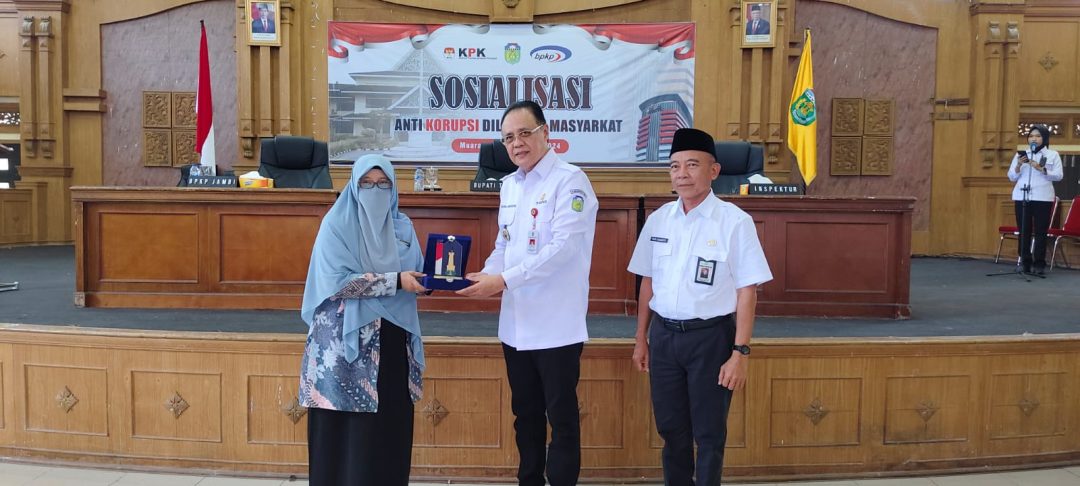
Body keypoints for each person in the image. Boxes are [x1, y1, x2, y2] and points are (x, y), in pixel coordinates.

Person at [457, 100, 598, 486]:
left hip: (556, 326)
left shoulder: (571, 181)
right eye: (508, 138)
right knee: (526, 416)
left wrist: (502, 281)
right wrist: (483, 276)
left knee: (562, 419)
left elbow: (563, 249)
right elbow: (504, 245)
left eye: (524, 133)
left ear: (545, 133)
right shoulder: (509, 185)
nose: (516, 143)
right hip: (516, 326)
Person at [628, 128, 772, 486]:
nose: (682, 174)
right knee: (671, 430)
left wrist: (740, 352)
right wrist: (641, 339)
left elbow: (747, 291)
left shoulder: (735, 222)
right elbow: (647, 283)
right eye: (675, 166)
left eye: (692, 165)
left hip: (710, 339)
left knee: (708, 434)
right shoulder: (659, 219)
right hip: (664, 338)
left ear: (714, 170)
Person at [298, 154, 428, 486]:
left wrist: (431, 281)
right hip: (343, 347)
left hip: (393, 342)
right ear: (354, 188)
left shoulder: (403, 226)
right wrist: (395, 281)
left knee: (388, 429)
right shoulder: (336, 224)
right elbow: (337, 283)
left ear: (394, 188)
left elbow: (416, 271)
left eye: (384, 184)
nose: (375, 191)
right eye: (367, 184)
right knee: (344, 437)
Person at [1008, 124, 1063, 275]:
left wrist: (1041, 168)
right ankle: (1024, 262)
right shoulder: (1021, 155)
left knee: (1040, 231)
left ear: (1044, 138)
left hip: (1043, 197)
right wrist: (1018, 165)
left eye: (1038, 136)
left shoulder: (1052, 155)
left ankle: (1039, 264)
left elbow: (1058, 176)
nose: (1034, 139)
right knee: (1023, 231)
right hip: (1022, 196)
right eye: (1031, 136)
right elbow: (1012, 177)